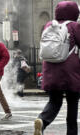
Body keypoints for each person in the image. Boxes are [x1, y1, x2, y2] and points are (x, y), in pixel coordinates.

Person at [34, 1, 80, 135]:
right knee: (73, 102)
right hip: (70, 72)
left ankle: (42, 120)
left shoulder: (49, 25)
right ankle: (71, 133)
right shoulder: (74, 26)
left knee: (54, 101)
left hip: (50, 70)